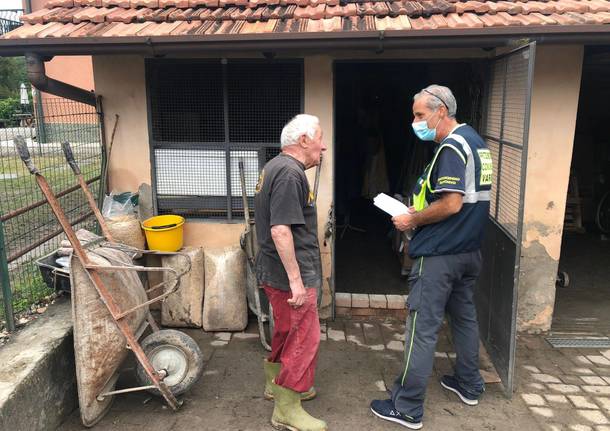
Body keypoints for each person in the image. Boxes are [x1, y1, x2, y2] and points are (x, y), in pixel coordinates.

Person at [370, 85, 493, 429]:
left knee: (421, 329)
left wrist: (412, 219)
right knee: (465, 319)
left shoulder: (452, 147)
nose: (415, 122)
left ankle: (407, 407)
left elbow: (452, 203)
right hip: (469, 252)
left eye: (420, 115)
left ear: (441, 112)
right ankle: (469, 384)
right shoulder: (476, 143)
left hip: (441, 255)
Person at [254, 114, 328, 431]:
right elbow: (281, 229)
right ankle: (287, 408)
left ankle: (275, 385)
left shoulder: (276, 166)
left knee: (286, 330)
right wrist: (297, 282)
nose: (323, 147)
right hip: (288, 275)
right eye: (320, 139)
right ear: (303, 141)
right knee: (304, 338)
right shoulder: (288, 174)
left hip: (275, 269)